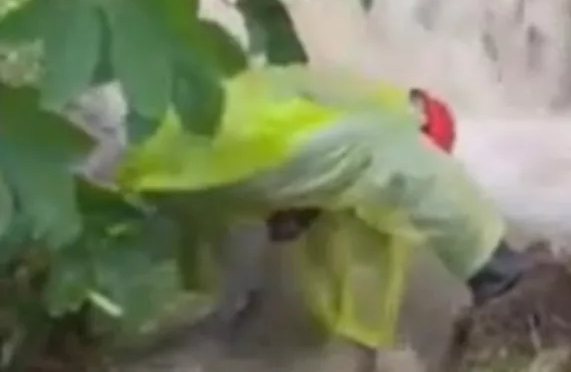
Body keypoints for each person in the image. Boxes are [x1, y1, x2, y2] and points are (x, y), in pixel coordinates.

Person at [117, 66, 530, 349]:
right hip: (244, 149)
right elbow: (424, 181)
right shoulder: (393, 122)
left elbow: (309, 156)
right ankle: (501, 276)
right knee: (406, 168)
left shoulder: (335, 101)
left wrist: (292, 208)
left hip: (157, 160)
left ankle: (203, 337)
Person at [410, 87, 456, 153]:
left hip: (440, 143)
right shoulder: (434, 104)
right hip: (446, 144)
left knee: (421, 137)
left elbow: (438, 129)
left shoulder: (431, 108)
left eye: (416, 103)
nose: (416, 107)